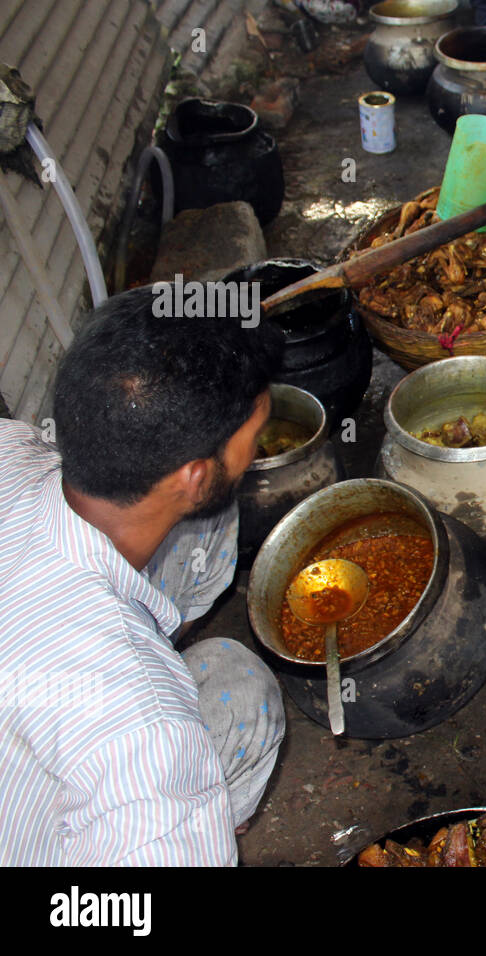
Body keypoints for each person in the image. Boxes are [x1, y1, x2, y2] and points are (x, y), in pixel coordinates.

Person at [0, 287, 287, 865]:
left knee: (208, 526)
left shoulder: (12, 447)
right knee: (243, 691)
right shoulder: (146, 737)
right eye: (253, 439)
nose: (255, 453)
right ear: (193, 474)